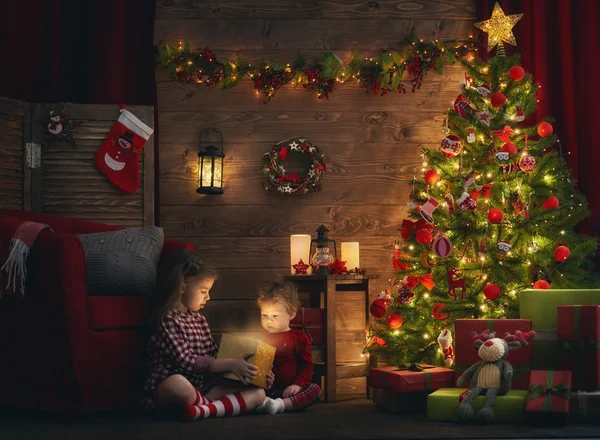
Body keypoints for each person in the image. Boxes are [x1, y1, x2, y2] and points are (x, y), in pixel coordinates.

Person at [141, 249, 273, 422]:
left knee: (258, 393)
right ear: (182, 286)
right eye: (203, 291)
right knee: (178, 384)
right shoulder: (167, 320)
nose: (208, 297)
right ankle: (211, 407)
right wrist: (230, 363)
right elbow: (186, 361)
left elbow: (214, 355)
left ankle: (202, 409)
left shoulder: (199, 320)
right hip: (173, 391)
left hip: (204, 389)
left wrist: (254, 372)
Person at [254, 280, 322, 414]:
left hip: (291, 391)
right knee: (250, 393)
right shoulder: (260, 338)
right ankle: (265, 403)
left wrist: (297, 385)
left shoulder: (298, 337)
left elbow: (306, 367)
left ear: (291, 314)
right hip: (266, 390)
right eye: (264, 315)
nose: (269, 321)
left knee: (315, 390)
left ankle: (280, 405)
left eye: (275, 316)